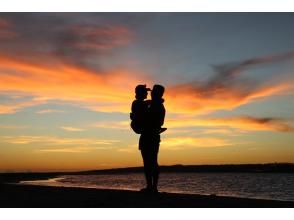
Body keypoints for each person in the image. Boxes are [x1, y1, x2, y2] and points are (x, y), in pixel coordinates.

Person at [139, 84, 166, 193]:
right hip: (146, 135)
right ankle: (150, 186)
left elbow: (159, 122)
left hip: (152, 136)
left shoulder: (159, 107)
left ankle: (153, 187)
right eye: (152, 91)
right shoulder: (150, 105)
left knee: (152, 162)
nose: (151, 92)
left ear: (158, 93)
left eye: (154, 91)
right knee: (147, 162)